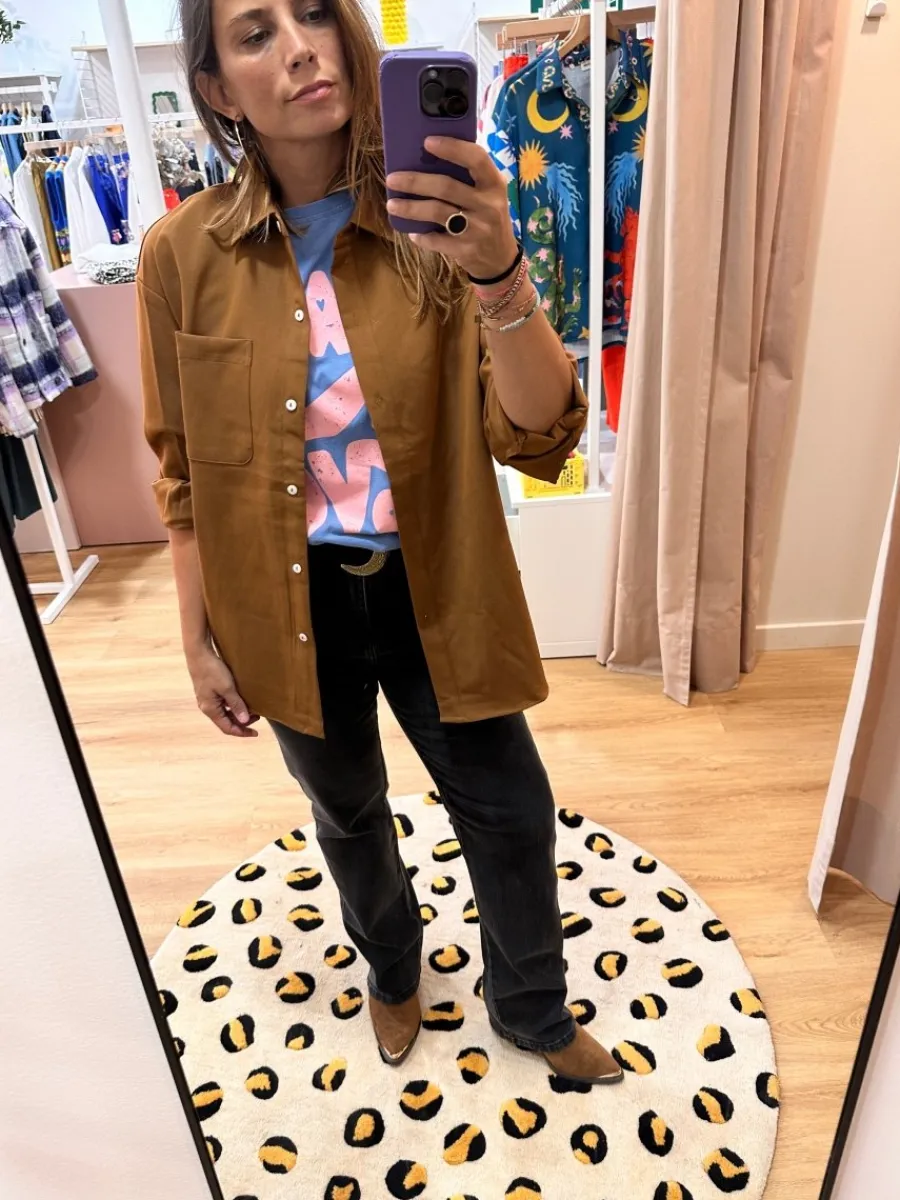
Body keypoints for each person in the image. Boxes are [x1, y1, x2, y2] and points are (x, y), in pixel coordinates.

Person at [139, 0, 622, 1087]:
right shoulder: (182, 254)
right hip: (283, 594)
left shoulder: (435, 221)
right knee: (347, 809)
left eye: (315, 12)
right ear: (216, 89)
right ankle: (394, 967)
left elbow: (540, 433)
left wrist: (498, 273)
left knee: (509, 809)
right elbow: (183, 469)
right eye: (255, 33)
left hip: (435, 580)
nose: (299, 46)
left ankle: (532, 1009)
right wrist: (195, 639)